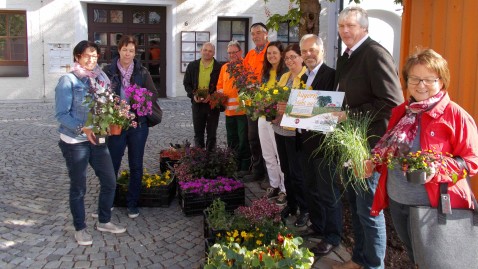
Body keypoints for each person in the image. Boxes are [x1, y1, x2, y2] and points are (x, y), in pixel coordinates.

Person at [370, 49, 478, 265]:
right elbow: (389, 148)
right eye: (415, 79)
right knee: (414, 256)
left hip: (432, 207)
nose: (421, 85)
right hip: (398, 199)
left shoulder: (455, 115)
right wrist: (373, 160)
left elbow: (471, 161)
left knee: (437, 261)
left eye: (429, 79)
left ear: (442, 80)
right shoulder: (402, 112)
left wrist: (436, 169)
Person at [332, 6, 404, 269]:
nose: (345, 31)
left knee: (369, 211)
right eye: (341, 26)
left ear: (364, 28)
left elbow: (393, 102)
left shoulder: (374, 54)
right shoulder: (347, 56)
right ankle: (358, 259)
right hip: (350, 142)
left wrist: (348, 114)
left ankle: (374, 265)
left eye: (350, 26)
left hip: (369, 146)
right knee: (355, 204)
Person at [55, 40, 126, 246]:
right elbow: (61, 114)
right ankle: (80, 228)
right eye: (87, 55)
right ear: (77, 57)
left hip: (98, 138)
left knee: (110, 181)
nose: (91, 59)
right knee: (78, 187)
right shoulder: (68, 81)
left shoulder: (101, 78)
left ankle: (104, 221)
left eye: (95, 55)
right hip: (75, 141)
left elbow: (107, 105)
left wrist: (115, 116)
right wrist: (82, 128)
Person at [103, 35, 159, 219]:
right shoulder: (108, 71)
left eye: (132, 51)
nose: (128, 53)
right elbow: (101, 95)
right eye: (125, 49)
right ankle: (108, 201)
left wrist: (141, 99)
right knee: (113, 164)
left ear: (136, 53)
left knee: (136, 164)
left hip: (138, 124)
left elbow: (152, 95)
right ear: (119, 50)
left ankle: (132, 203)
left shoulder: (142, 72)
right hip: (117, 123)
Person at [295, 34, 339, 255]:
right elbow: (302, 110)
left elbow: (330, 109)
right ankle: (318, 226)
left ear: (321, 50)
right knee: (310, 187)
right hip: (305, 142)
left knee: (327, 192)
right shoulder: (304, 76)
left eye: (312, 50)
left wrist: (302, 109)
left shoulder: (331, 75)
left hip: (323, 143)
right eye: (304, 51)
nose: (308, 54)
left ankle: (332, 236)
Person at [274, 44, 308, 222]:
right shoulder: (284, 76)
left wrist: (286, 109)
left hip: (295, 133)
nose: (290, 61)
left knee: (297, 172)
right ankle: (292, 203)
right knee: (286, 169)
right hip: (279, 129)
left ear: (301, 57)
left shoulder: (306, 78)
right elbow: (275, 99)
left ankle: (304, 209)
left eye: (293, 56)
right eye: (287, 58)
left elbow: (307, 106)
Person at [257, 41, 287, 204]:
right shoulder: (266, 73)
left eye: (274, 53)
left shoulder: (286, 73)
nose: (271, 56)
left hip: (278, 119)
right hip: (263, 117)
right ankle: (274, 184)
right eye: (269, 53)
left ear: (281, 54)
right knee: (268, 153)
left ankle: (284, 189)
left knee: (280, 154)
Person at [217, 40, 251, 173]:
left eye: (234, 52)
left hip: (242, 111)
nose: (231, 55)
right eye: (229, 53)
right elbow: (220, 85)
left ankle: (245, 166)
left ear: (240, 52)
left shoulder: (246, 65)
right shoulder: (225, 67)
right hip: (228, 112)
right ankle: (233, 164)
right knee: (231, 139)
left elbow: (251, 85)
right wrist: (220, 97)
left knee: (243, 139)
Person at [242, 22, 269, 182]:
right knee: (253, 138)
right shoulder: (250, 54)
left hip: (266, 103)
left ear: (266, 34)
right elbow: (245, 76)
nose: (255, 36)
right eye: (253, 33)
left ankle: (269, 175)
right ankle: (257, 170)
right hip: (252, 103)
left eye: (258, 32)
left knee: (267, 138)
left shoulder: (271, 51)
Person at [183, 42, 222, 151]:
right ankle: (199, 159)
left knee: (212, 133)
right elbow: (186, 83)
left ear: (214, 53)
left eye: (210, 51)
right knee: (198, 133)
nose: (207, 53)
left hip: (213, 104)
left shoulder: (219, 67)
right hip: (197, 104)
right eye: (205, 50)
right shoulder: (192, 66)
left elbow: (222, 86)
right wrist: (193, 95)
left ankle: (210, 157)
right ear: (201, 51)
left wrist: (213, 96)